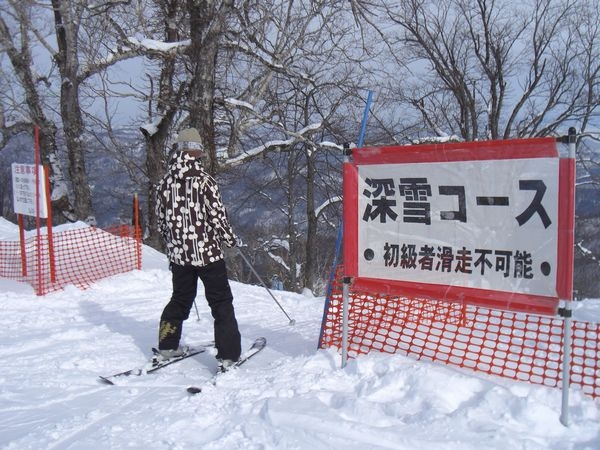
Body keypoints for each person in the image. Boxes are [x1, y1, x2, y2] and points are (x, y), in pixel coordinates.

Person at [155, 127, 241, 372]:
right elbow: (217, 217)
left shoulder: (164, 183)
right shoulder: (204, 181)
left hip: (179, 255)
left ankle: (167, 345)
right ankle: (228, 356)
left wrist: (174, 243)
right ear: (196, 150)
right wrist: (231, 240)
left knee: (180, 299)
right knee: (221, 302)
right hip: (208, 254)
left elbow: (161, 221)